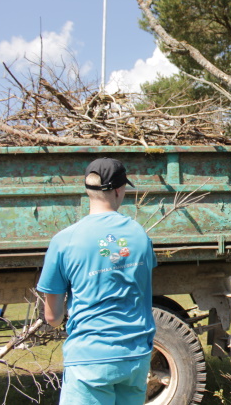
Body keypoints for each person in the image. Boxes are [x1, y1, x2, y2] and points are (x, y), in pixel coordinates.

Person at [37, 157, 157, 404]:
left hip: (90, 356)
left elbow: (52, 317)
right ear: (118, 190)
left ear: (87, 190)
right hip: (136, 355)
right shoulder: (139, 234)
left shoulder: (64, 240)